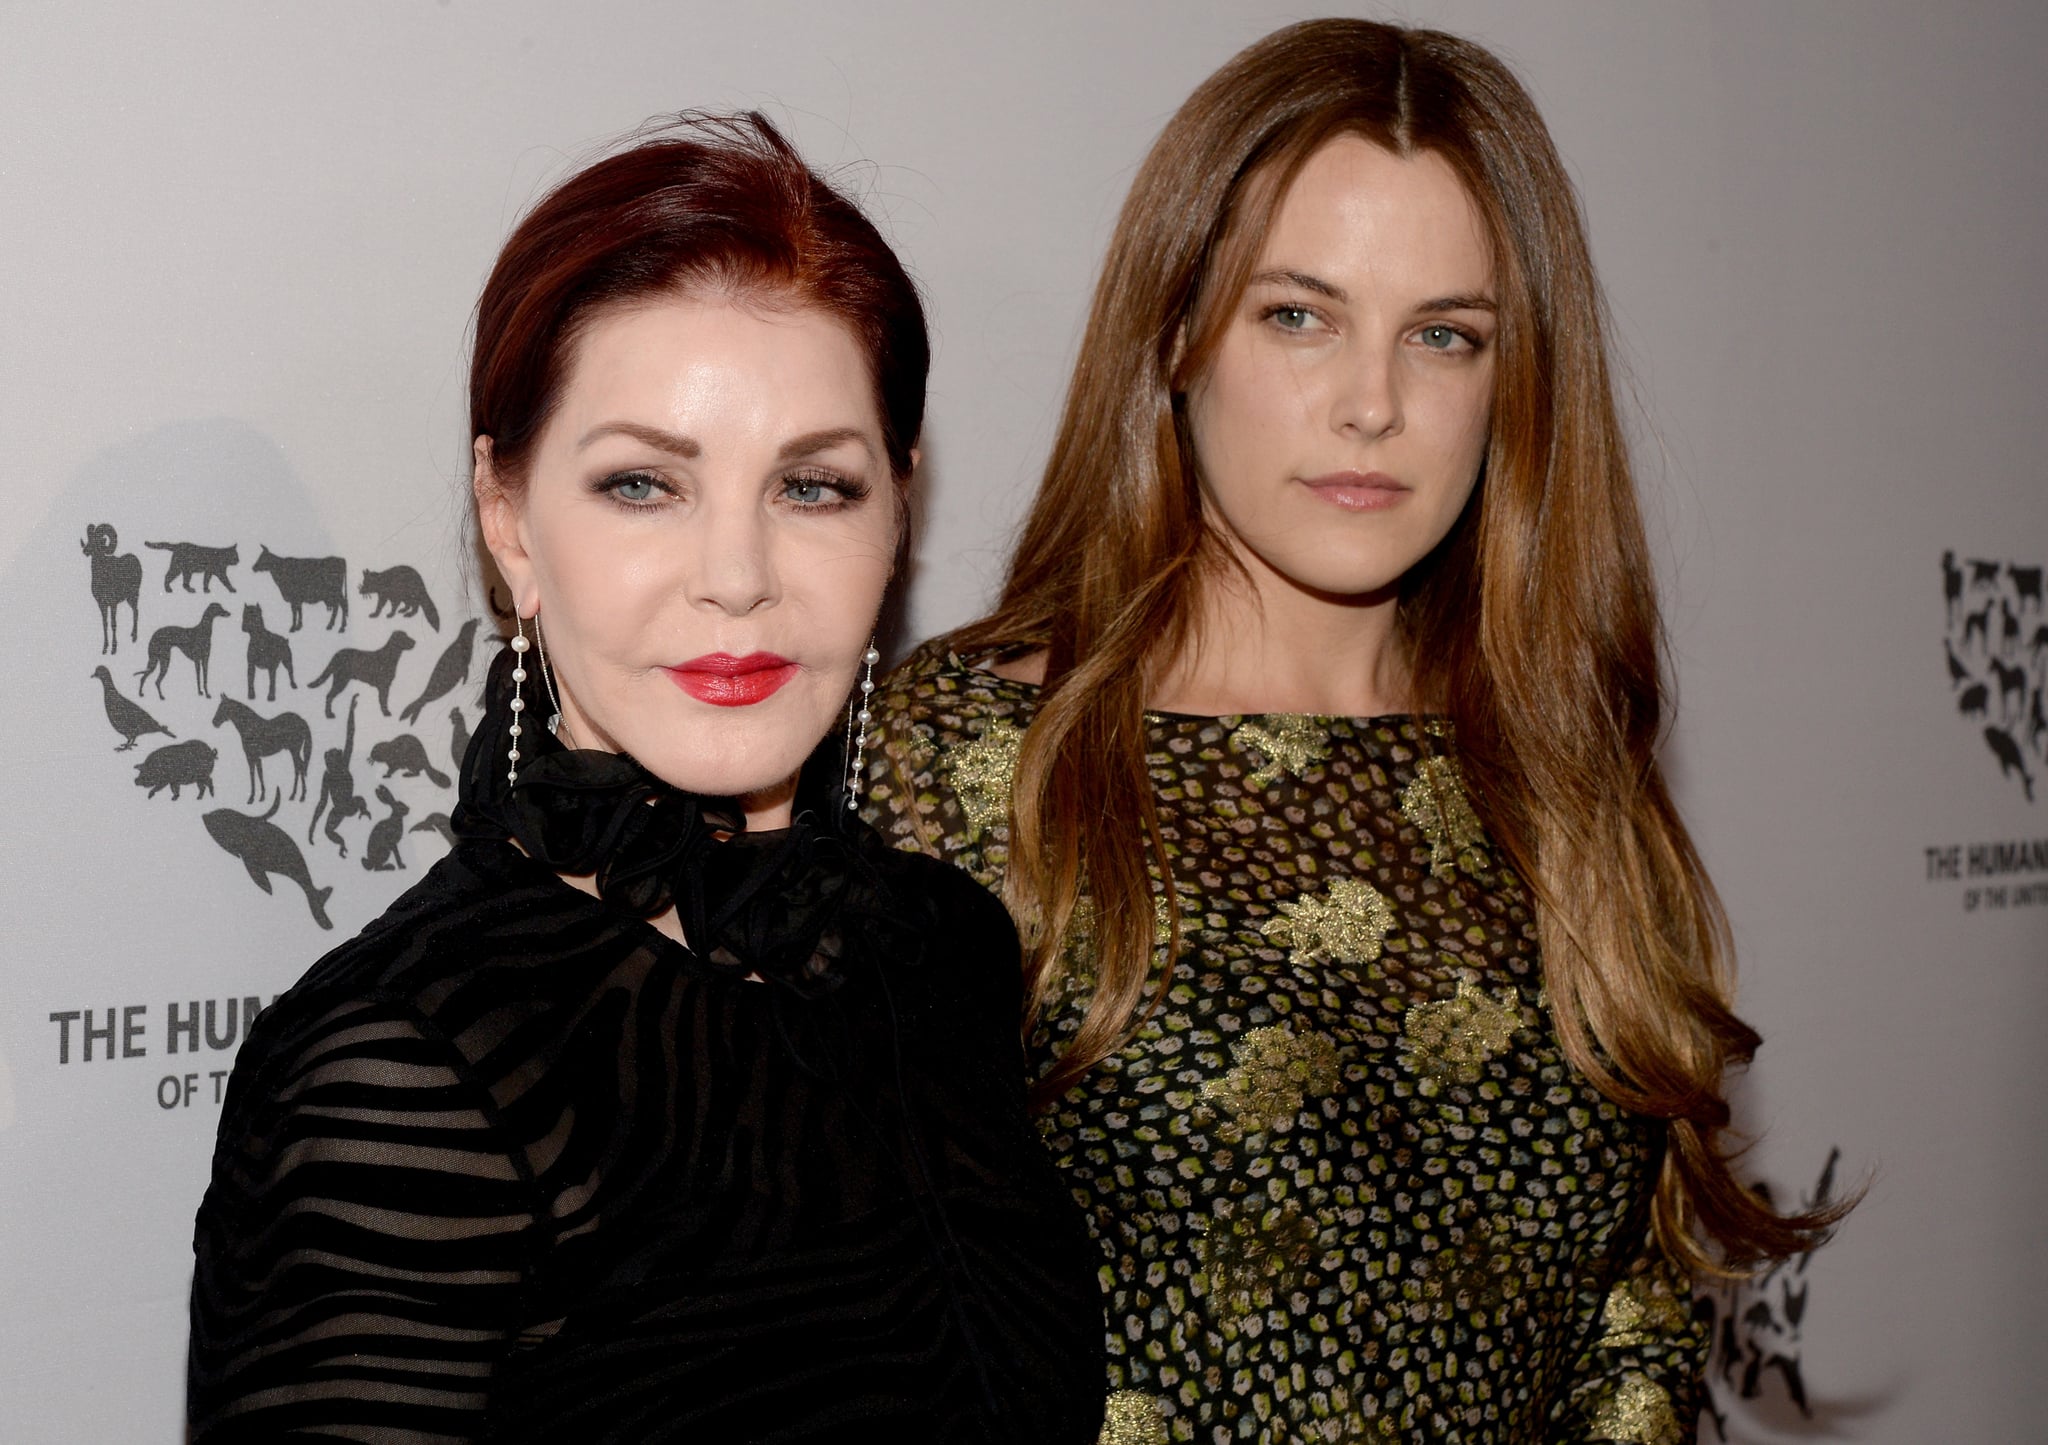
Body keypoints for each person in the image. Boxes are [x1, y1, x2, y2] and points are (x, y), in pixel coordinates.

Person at [867, 20, 1842, 1445]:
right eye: (1299, 315)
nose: (1374, 404)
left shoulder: (1564, 772)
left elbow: (1633, 1317)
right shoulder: (964, 762)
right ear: (1177, 332)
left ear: (1513, 387)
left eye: (1444, 336)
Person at [188, 113, 1105, 1443]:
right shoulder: (406, 1066)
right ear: (509, 520)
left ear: (899, 509)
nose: (737, 575)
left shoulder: (939, 949)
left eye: (813, 486)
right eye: (643, 483)